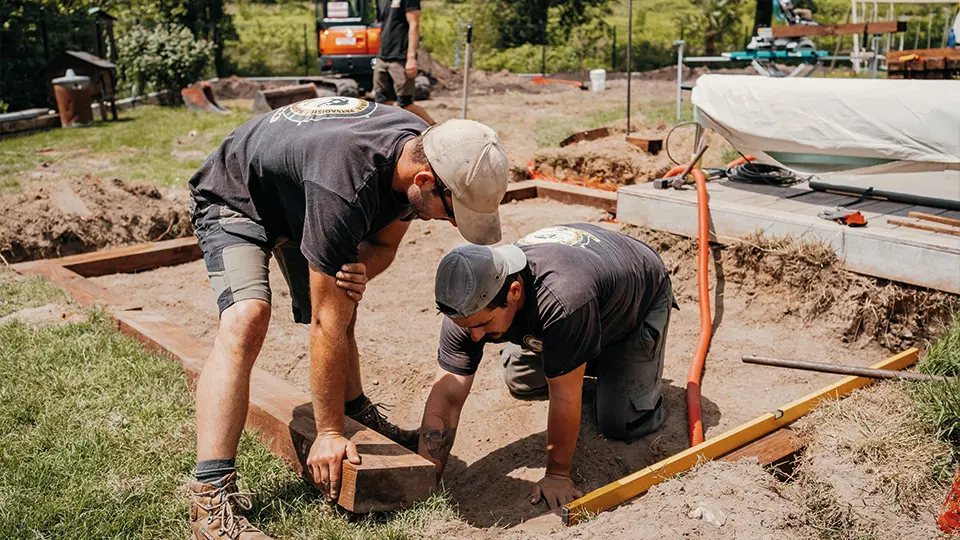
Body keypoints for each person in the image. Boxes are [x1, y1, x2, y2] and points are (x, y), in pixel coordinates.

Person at [186, 96, 508, 539]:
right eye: (454, 212)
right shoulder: (345, 182)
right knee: (247, 318)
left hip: (301, 190)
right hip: (237, 196)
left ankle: (357, 411)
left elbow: (383, 249)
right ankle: (210, 496)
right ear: (424, 180)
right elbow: (325, 323)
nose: (453, 225)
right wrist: (329, 433)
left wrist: (357, 273)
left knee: (342, 292)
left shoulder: (419, 152)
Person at [419, 224, 676, 510]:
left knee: (621, 422)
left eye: (483, 325)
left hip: (634, 301)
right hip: (583, 298)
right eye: (468, 327)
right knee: (520, 379)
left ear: (514, 292)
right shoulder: (467, 303)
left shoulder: (563, 300)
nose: (475, 336)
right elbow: (448, 397)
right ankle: (578, 355)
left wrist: (556, 474)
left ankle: (613, 368)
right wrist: (424, 474)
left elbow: (564, 396)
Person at [374, 0, 434, 124]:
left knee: (406, 104)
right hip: (382, 57)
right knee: (382, 103)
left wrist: (411, 58)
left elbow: (414, 25)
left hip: (400, 58)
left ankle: (434, 128)